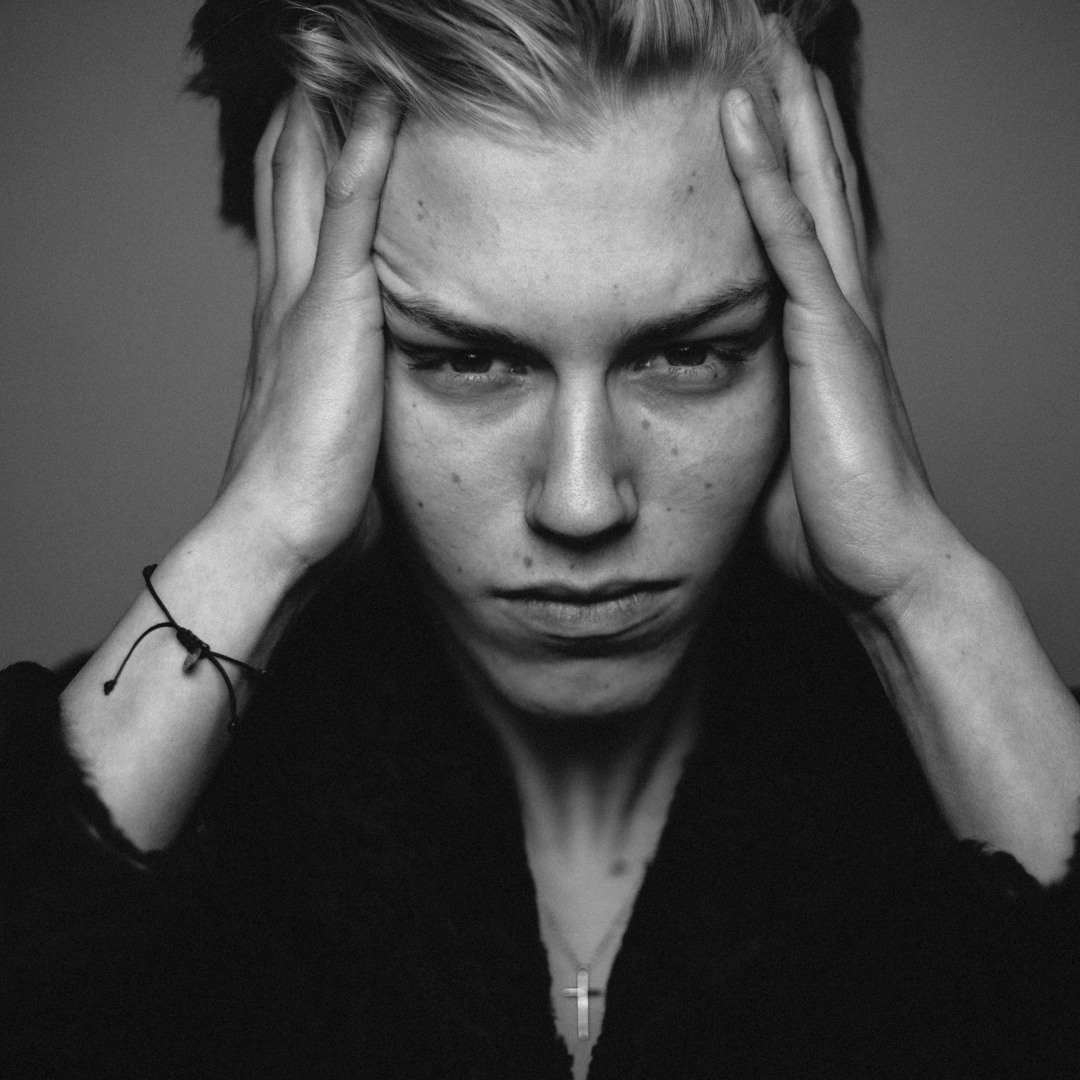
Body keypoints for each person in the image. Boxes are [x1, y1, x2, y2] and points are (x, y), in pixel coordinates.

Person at [2, 0, 1079, 1076]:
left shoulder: (938, 782)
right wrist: (259, 542)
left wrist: (919, 594)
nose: (581, 504)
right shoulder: (172, 797)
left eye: (691, 353)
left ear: (830, 319)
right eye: (466, 359)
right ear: (304, 334)